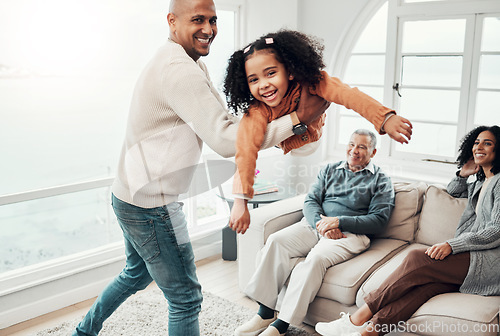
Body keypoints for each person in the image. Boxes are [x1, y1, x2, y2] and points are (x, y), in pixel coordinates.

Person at [71, 1, 329, 335]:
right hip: (152, 205)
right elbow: (225, 140)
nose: (208, 28)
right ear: (172, 21)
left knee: (135, 274)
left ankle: (84, 331)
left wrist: (286, 126)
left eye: (212, 20)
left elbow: (222, 124)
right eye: (197, 20)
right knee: (185, 298)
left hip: (129, 197)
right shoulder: (179, 71)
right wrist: (297, 119)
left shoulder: (187, 63)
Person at [315, 125, 500, 336]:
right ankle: (368, 333)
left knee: (416, 257)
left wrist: (452, 244)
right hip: (473, 257)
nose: (479, 147)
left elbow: (496, 229)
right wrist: (462, 174)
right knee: (424, 289)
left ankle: (357, 318)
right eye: (476, 142)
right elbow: (454, 191)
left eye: (487, 143)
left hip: (490, 262)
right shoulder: (480, 182)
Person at [224, 29, 412, 235]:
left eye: (271, 73)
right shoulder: (257, 110)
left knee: (333, 88)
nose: (264, 85)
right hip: (285, 143)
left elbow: (349, 96)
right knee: (247, 134)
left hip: (311, 140)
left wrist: (385, 118)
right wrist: (240, 202)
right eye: (254, 80)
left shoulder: (313, 81)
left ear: (290, 71)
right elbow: (245, 152)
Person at [234, 129, 396, 336]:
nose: (354, 151)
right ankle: (265, 312)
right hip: (315, 225)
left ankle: (282, 325)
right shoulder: (329, 169)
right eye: (351, 144)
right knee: (276, 241)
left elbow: (378, 221)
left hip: (349, 235)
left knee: (315, 259)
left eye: (362, 147)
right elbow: (311, 201)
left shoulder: (381, 180)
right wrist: (321, 224)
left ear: (373, 153)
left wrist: (339, 222)